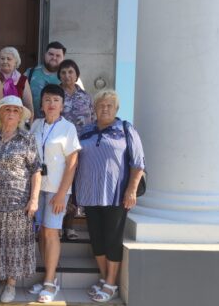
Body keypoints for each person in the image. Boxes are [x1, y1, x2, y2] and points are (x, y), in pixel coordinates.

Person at [74, 89, 145, 303]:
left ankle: (112, 282)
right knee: (97, 238)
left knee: (112, 239)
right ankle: (106, 280)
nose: (105, 108)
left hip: (116, 195)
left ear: (116, 109)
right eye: (101, 105)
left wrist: (131, 190)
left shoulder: (125, 129)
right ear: (94, 109)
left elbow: (138, 163)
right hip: (90, 194)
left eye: (109, 105)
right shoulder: (85, 131)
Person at [0, 95, 42, 303]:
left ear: (20, 116)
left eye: (15, 111)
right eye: (7, 109)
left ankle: (11, 284)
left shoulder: (28, 139)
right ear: (0, 114)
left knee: (14, 245)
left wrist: (34, 200)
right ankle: (1, 280)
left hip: (17, 201)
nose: (11, 113)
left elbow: (36, 171)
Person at [28, 84, 81, 303]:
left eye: (56, 100)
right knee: (42, 232)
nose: (51, 104)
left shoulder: (68, 128)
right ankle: (46, 277)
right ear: (42, 103)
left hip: (57, 190)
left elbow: (72, 163)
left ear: (62, 104)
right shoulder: (36, 125)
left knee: (51, 232)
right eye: (47, 100)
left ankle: (50, 282)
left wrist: (61, 194)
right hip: (37, 187)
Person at [57, 59, 95, 240]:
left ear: (76, 75)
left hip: (81, 147)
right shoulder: (55, 94)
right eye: (63, 73)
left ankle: (70, 226)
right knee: (60, 184)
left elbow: (93, 120)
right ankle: (56, 224)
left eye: (70, 72)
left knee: (76, 187)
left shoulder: (86, 97)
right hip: (59, 148)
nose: (67, 76)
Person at [25, 42, 65, 118]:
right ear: (45, 54)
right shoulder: (29, 73)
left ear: (63, 58)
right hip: (32, 124)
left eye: (58, 55)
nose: (54, 58)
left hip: (57, 125)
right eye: (51, 54)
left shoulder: (67, 76)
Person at [0, 46, 34, 121]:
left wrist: (29, 126)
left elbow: (28, 105)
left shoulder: (22, 80)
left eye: (9, 59)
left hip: (17, 120)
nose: (5, 61)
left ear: (15, 62)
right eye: (2, 58)